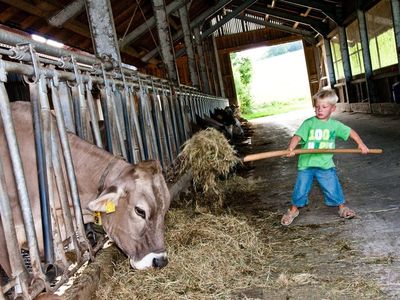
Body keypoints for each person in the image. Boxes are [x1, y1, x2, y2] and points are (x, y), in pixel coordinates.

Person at [281, 89, 369, 226]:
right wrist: (291, 148)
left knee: (332, 187)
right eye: (317, 107)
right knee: (301, 188)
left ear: (333, 108)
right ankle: (293, 210)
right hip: (306, 164)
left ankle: (342, 208)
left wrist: (361, 144)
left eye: (324, 107)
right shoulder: (309, 123)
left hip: (325, 164)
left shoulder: (334, 125)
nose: (319, 110)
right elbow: (297, 136)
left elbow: (350, 132)